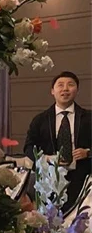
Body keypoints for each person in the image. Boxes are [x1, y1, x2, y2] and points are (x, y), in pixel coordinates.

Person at [24, 70, 91, 211]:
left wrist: (88, 152)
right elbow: (29, 147)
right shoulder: (40, 120)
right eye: (60, 85)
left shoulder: (89, 118)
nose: (65, 89)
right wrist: (45, 158)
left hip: (82, 178)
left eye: (70, 85)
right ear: (52, 91)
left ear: (77, 90)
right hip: (50, 180)